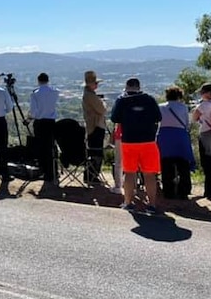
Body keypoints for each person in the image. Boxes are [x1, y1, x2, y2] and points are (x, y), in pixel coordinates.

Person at [110, 78, 162, 213]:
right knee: (150, 175)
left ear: (127, 87)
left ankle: (128, 202)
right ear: (139, 87)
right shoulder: (149, 99)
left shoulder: (122, 100)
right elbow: (158, 117)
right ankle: (152, 205)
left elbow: (114, 118)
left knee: (129, 173)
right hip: (149, 141)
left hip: (129, 141)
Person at [157, 86, 196, 200]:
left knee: (166, 164)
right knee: (183, 164)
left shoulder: (160, 107)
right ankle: (184, 190)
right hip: (180, 136)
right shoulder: (183, 107)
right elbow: (186, 123)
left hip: (165, 136)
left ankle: (168, 191)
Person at [29, 72, 60, 182]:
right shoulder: (54, 92)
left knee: (41, 148)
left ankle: (45, 171)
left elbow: (33, 111)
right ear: (48, 80)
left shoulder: (35, 94)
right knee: (51, 146)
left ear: (38, 81)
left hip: (40, 123)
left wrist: (29, 118)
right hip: (51, 122)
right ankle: (53, 170)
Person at [81, 70, 107, 184]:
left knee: (94, 152)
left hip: (93, 126)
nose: (97, 85)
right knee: (96, 152)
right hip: (96, 126)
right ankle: (92, 175)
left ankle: (91, 175)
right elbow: (102, 109)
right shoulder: (90, 96)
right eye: (95, 83)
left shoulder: (88, 95)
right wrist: (103, 103)